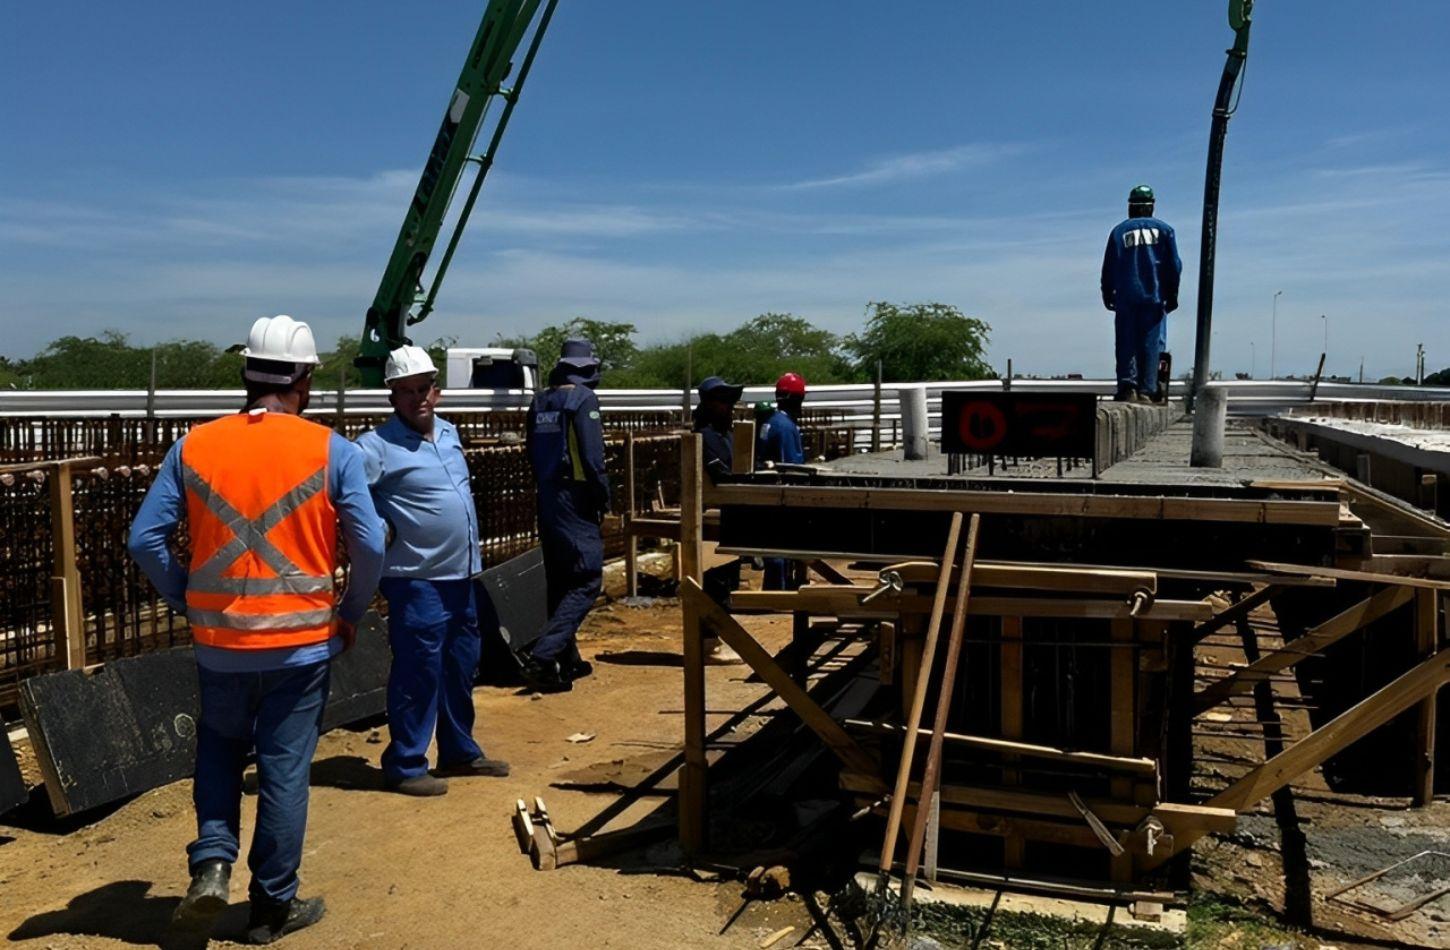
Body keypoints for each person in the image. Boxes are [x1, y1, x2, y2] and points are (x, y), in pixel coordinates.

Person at [128, 314, 385, 944]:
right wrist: (348, 613)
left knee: (217, 750)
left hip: (220, 649)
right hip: (301, 648)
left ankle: (213, 863)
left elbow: (144, 540)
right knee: (284, 769)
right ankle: (271, 908)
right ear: (303, 379)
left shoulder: (194, 446)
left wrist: (190, 600)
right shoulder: (332, 450)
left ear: (247, 373)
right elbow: (372, 545)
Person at [355, 345, 510, 795]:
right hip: (415, 578)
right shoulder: (374, 447)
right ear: (392, 397)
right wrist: (378, 526)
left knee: (460, 665)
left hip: (461, 577)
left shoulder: (448, 434)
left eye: (422, 388)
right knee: (418, 669)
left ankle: (459, 750)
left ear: (436, 392)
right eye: (405, 391)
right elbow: (343, 497)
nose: (416, 398)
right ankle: (405, 764)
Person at [519, 339, 610, 693]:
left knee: (559, 578)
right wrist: (603, 496)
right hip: (576, 496)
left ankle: (567, 659)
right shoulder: (583, 400)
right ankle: (544, 658)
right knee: (586, 579)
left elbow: (530, 449)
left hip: (548, 496)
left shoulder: (540, 400)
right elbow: (592, 457)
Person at [1101, 184, 1182, 402]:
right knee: (1151, 343)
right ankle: (1148, 388)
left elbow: (1109, 267)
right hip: (1154, 297)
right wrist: (1172, 294)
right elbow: (1173, 266)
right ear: (1151, 206)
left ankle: (1128, 387)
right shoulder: (1165, 231)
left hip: (1126, 297)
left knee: (1126, 342)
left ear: (1131, 206)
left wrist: (1107, 293)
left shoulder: (1119, 232)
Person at [692, 376, 746, 663]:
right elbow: (723, 474)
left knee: (726, 579)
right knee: (716, 582)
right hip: (714, 518)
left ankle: (713, 640)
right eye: (724, 401)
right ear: (711, 403)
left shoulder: (723, 432)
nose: (730, 407)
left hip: (727, 515)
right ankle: (709, 644)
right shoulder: (707, 435)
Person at [756, 373, 807, 590]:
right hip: (778, 492)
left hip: (766, 489)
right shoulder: (785, 426)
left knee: (774, 542)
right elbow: (790, 465)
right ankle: (777, 591)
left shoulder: (772, 422)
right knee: (779, 542)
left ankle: (776, 587)